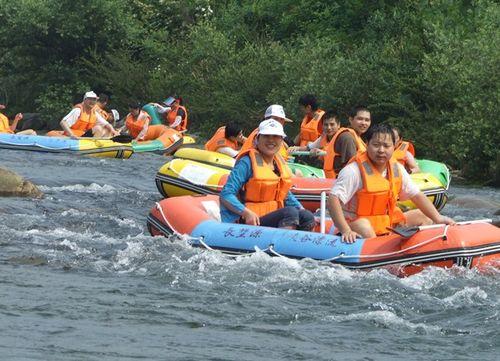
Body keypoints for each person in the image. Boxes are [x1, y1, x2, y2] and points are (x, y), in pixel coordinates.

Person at [327, 123, 454, 243]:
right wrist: (346, 230)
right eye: (376, 145)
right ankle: (378, 256)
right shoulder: (353, 171)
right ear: (367, 144)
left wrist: (438, 218)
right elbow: (333, 199)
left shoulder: (397, 168)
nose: (381, 150)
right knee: (364, 225)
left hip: (385, 223)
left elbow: (416, 195)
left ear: (394, 146)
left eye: (386, 146)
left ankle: (413, 251)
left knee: (424, 216)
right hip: (353, 224)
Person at [220, 119, 315, 230]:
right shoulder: (246, 162)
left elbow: (285, 195)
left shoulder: (278, 162)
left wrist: (301, 208)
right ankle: (281, 246)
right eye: (266, 136)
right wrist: (246, 213)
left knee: (307, 216)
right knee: (290, 213)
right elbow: (226, 194)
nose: (271, 140)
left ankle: (298, 246)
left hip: (270, 217)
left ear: (281, 140)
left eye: (275, 136)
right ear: (257, 139)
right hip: (249, 221)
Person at [288, 111, 358, 178]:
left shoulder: (345, 137)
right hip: (329, 175)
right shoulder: (324, 136)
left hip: (343, 176)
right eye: (326, 125)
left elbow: (352, 164)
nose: (329, 128)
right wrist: (295, 148)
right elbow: (309, 147)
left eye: (332, 124)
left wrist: (321, 152)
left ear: (338, 125)